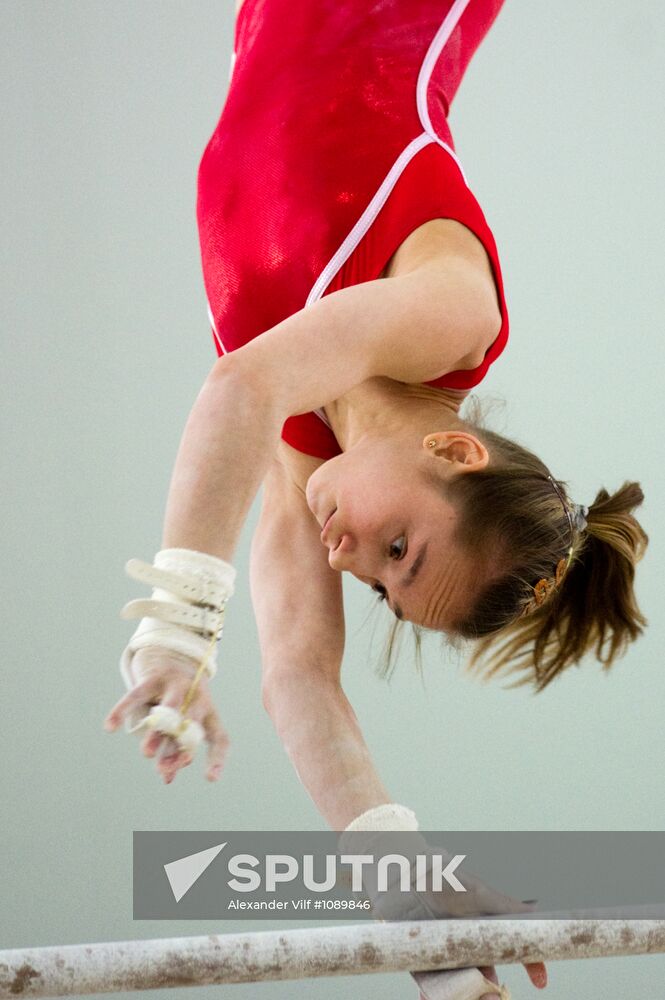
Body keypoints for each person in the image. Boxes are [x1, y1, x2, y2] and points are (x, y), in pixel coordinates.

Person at [104, 2, 647, 995]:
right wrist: (177, 629)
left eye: (379, 585)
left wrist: (418, 924)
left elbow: (301, 679)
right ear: (453, 445)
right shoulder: (451, 313)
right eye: (401, 548)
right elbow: (233, 388)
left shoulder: (299, 451)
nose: (349, 558)